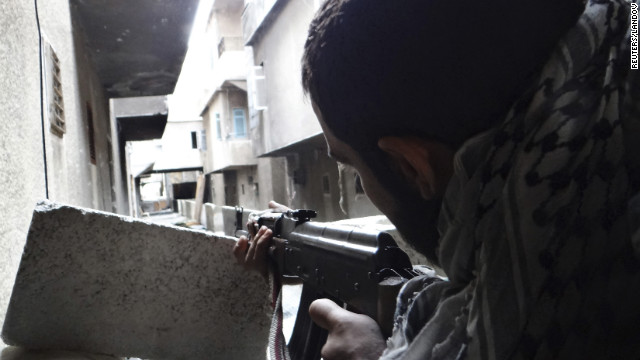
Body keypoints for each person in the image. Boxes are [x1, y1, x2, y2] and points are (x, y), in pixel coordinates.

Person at [234, 0, 640, 358]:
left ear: (413, 167)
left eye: (355, 170)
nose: (362, 188)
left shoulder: (531, 320)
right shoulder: (624, 43)